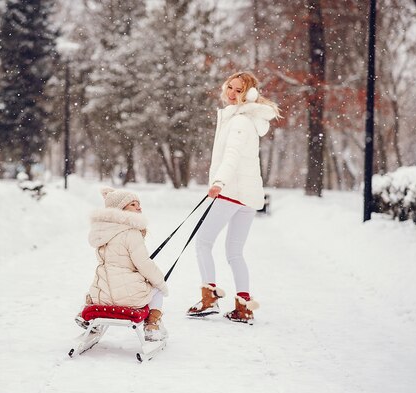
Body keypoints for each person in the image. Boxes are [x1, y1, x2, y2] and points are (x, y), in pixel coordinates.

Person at [187, 71, 280, 324]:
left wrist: (219, 181)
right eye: (229, 87)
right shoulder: (246, 120)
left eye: (238, 90)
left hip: (232, 192)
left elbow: (232, 155)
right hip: (247, 197)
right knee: (235, 252)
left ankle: (209, 299)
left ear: (248, 94)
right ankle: (243, 306)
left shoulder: (239, 121)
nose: (231, 93)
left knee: (203, 243)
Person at [76, 187, 169, 341]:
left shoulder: (101, 233)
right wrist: (161, 283)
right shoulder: (131, 232)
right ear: (120, 209)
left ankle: (88, 316)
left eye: (138, 203)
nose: (139, 207)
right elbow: (144, 264)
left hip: (101, 297)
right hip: (131, 298)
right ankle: (152, 325)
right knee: (157, 288)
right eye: (133, 204)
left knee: (100, 282)